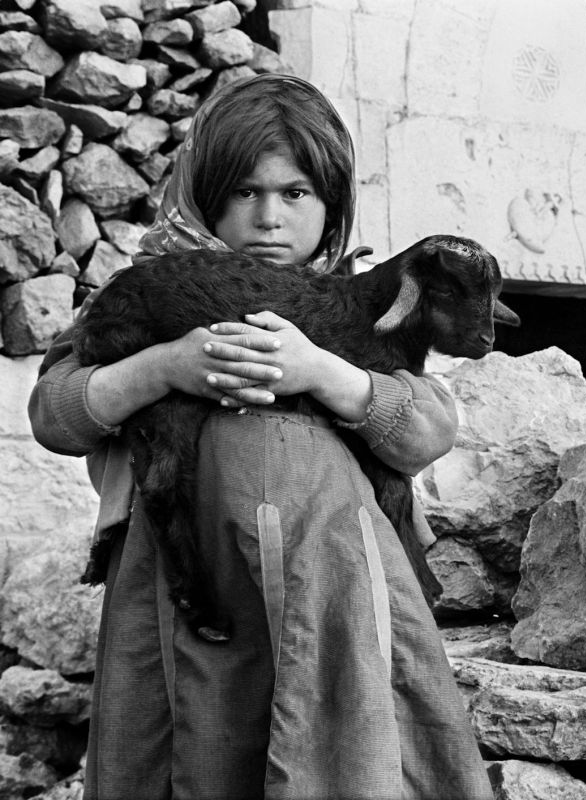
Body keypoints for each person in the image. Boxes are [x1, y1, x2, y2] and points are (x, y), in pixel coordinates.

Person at [28, 73, 493, 800]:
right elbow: (54, 414)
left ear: (332, 203)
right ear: (207, 194)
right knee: (192, 748)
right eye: (246, 192)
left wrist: (322, 371)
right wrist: (162, 367)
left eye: (295, 193)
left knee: (339, 746)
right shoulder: (153, 292)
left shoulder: (369, 306)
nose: (269, 218)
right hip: (182, 590)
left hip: (333, 590)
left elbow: (427, 430)